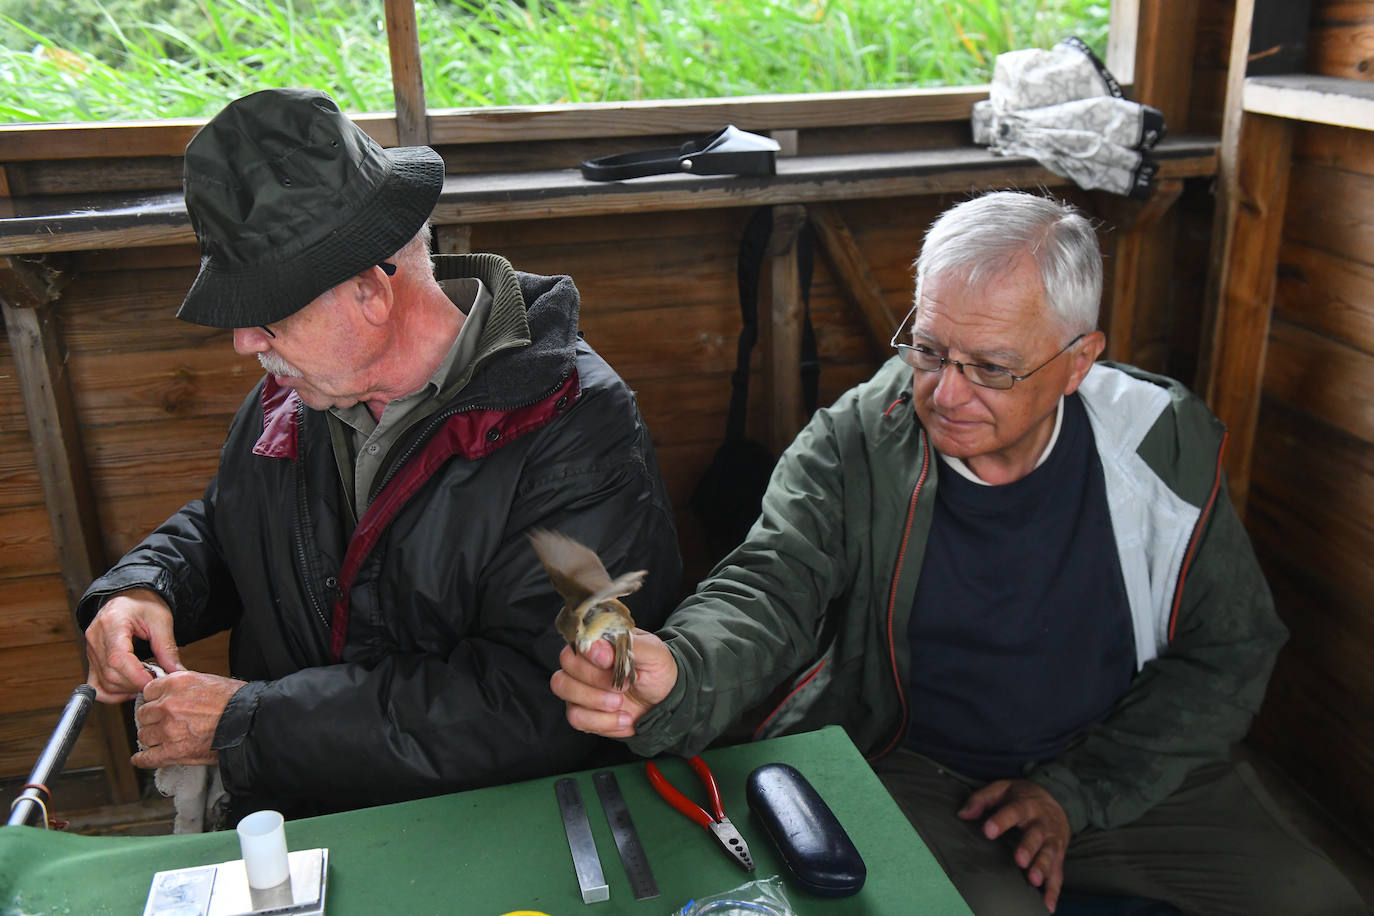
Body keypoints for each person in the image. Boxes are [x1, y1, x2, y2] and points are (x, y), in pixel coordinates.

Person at [553, 192, 1366, 914]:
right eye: (930, 348)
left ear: (1078, 361)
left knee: (1315, 899)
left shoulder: (1160, 440)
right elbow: (771, 585)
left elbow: (1229, 649)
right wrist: (682, 671)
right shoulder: (857, 440)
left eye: (991, 368)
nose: (945, 393)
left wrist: (1073, 793)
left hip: (1127, 761)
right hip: (918, 769)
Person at [78, 88, 681, 821]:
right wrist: (149, 587)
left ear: (369, 291)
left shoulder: (575, 425)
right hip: (301, 806)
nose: (244, 343)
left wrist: (250, 723)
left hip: (481, 828)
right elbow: (238, 523)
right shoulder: (299, 391)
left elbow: (535, 698)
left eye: (267, 315)